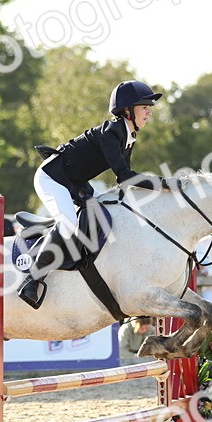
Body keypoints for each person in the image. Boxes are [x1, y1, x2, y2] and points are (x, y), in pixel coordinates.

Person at [17, 79, 163, 308]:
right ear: (127, 111)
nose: (149, 113)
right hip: (53, 178)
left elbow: (124, 180)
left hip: (74, 182)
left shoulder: (128, 136)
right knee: (68, 225)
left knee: (105, 214)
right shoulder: (111, 132)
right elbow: (125, 176)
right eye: (145, 107)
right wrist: (163, 184)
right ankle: (32, 281)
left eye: (148, 109)